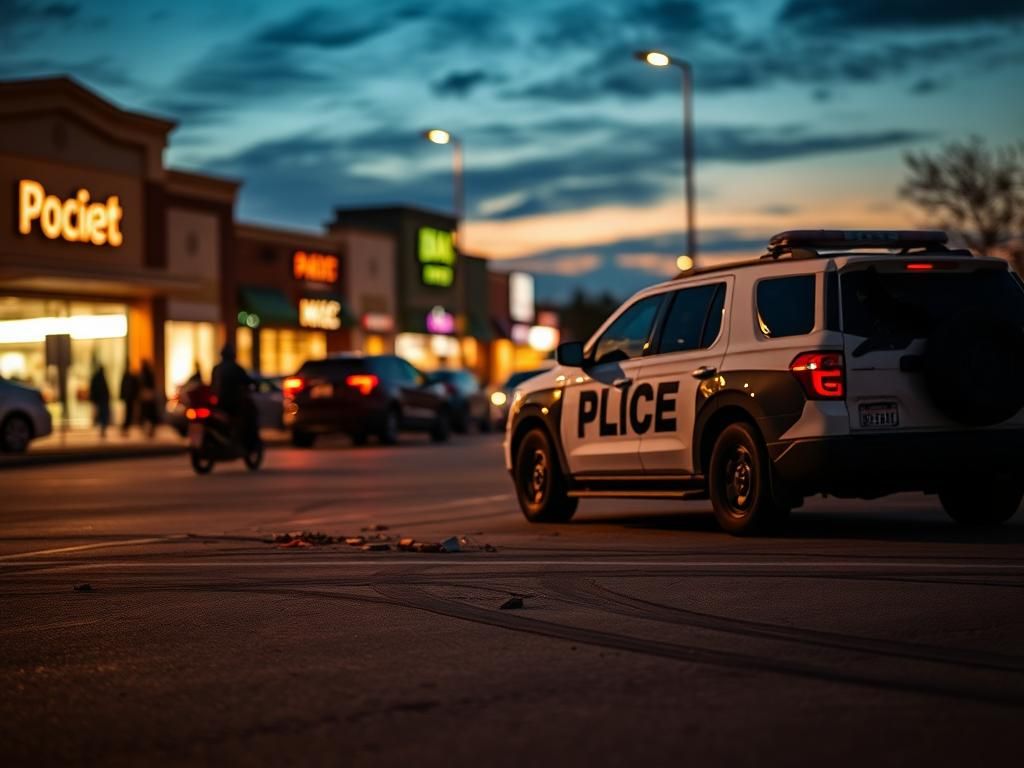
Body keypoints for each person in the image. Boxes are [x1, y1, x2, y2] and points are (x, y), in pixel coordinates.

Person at [212, 344, 257, 449]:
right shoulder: (236, 368)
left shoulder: (217, 368)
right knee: (246, 417)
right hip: (233, 403)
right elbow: (247, 381)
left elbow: (213, 386)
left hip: (219, 403)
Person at [88, 364, 111, 438]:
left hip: (100, 400)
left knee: (101, 414)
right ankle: (102, 427)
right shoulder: (100, 378)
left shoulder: (98, 377)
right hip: (101, 400)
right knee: (102, 414)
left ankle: (102, 427)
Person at [138, 361, 158, 437]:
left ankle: (148, 429)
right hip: (148, 397)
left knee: (147, 414)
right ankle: (149, 429)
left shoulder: (144, 375)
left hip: (147, 397)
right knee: (148, 414)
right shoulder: (147, 374)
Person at [119, 367, 139, 435]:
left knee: (128, 412)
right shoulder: (129, 378)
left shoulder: (129, 378)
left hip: (129, 398)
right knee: (128, 412)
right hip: (129, 398)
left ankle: (126, 427)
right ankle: (126, 426)